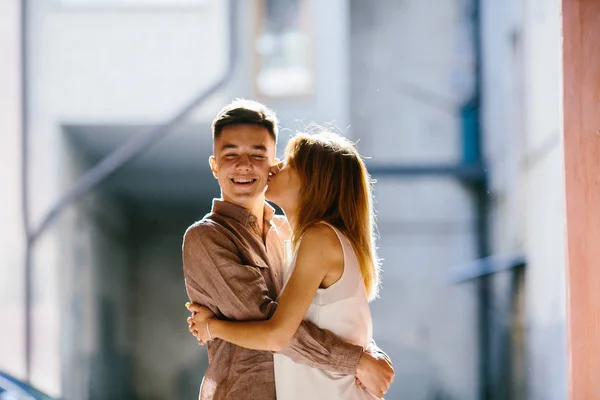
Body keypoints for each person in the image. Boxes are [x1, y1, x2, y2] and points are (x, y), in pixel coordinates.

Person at [182, 99, 394, 400]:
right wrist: (357, 359)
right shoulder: (207, 238)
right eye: (231, 154)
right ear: (214, 166)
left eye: (260, 154)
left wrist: (364, 355)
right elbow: (270, 322)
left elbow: (302, 322)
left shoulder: (298, 235)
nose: (245, 164)